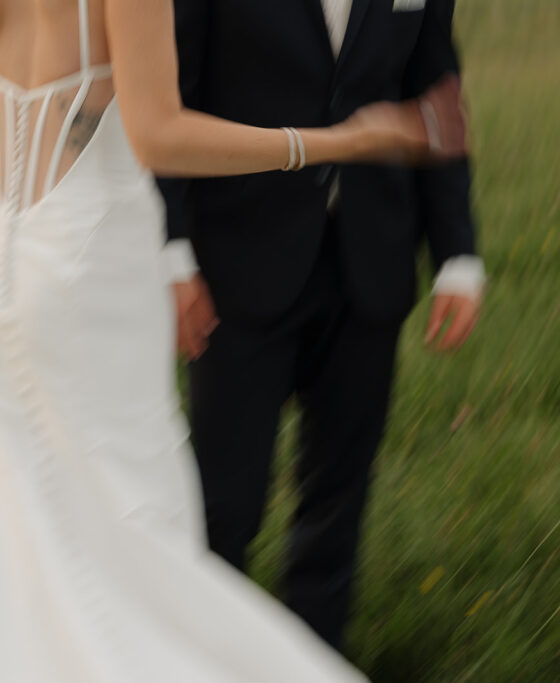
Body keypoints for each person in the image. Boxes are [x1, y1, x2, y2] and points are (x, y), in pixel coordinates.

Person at [0, 1, 466, 680]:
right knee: (134, 509)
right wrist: (341, 141)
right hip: (87, 257)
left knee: (23, 496)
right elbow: (160, 135)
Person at [158, 0, 483, 650]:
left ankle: (310, 657)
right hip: (236, 263)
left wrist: (459, 252)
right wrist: (173, 251)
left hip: (372, 259)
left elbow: (434, 91)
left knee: (338, 496)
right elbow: (170, 99)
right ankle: (201, 657)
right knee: (225, 500)